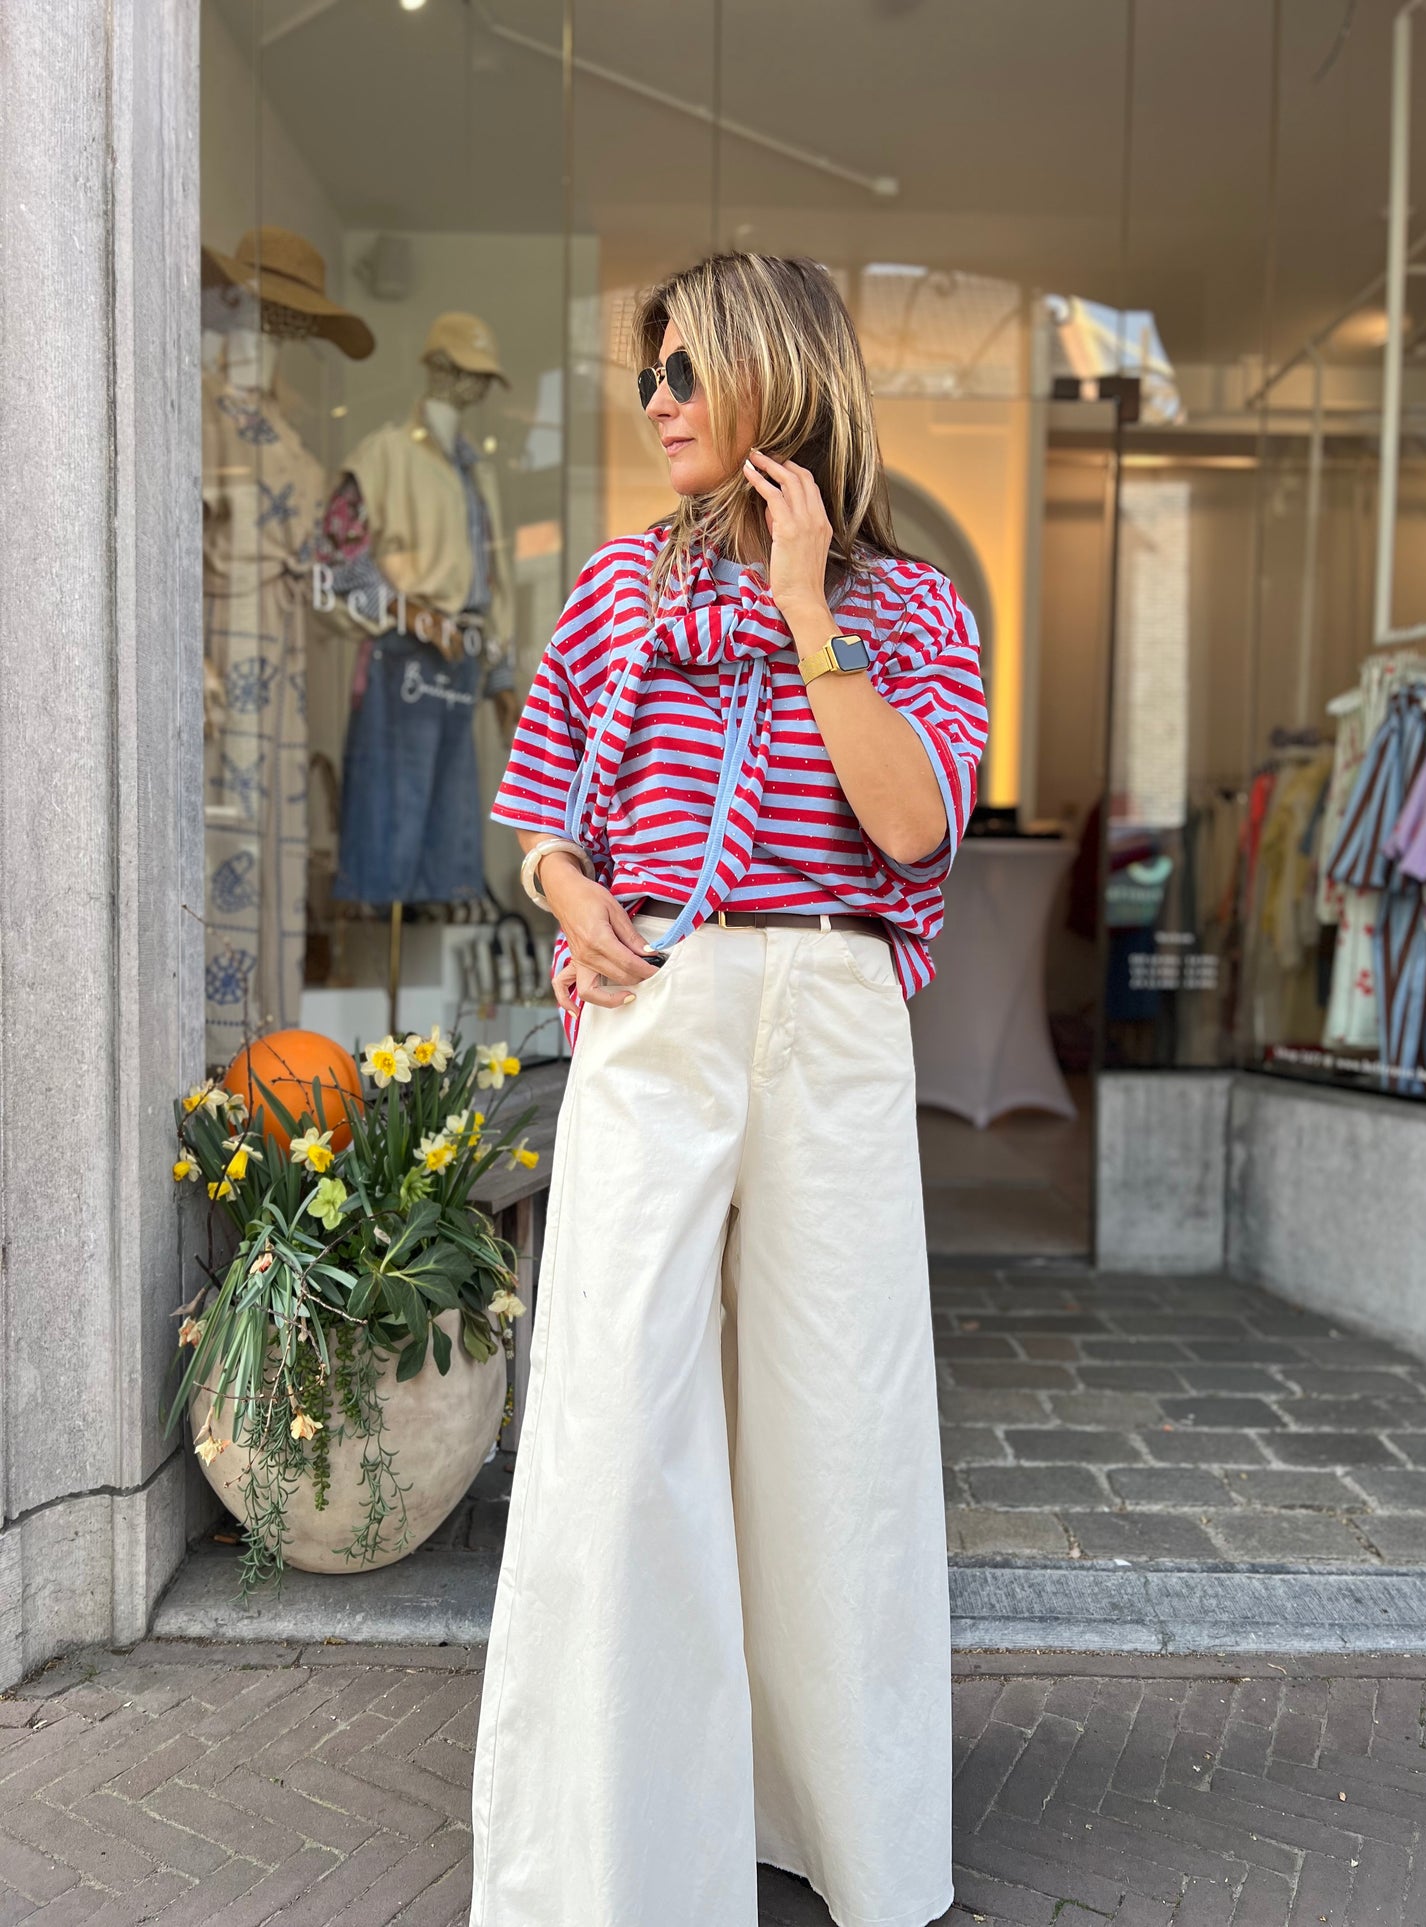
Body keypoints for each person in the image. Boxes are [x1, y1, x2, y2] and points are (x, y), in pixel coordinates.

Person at [469, 252, 988, 1927]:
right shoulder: (616, 586)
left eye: (688, 368)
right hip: (660, 1009)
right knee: (619, 1415)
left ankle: (836, 1826)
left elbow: (906, 825)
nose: (659, 402)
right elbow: (542, 819)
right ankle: (616, 1854)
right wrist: (571, 899)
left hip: (832, 1014)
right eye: (649, 376)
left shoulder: (916, 611)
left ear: (782, 371)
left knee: (837, 1426)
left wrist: (810, 603)